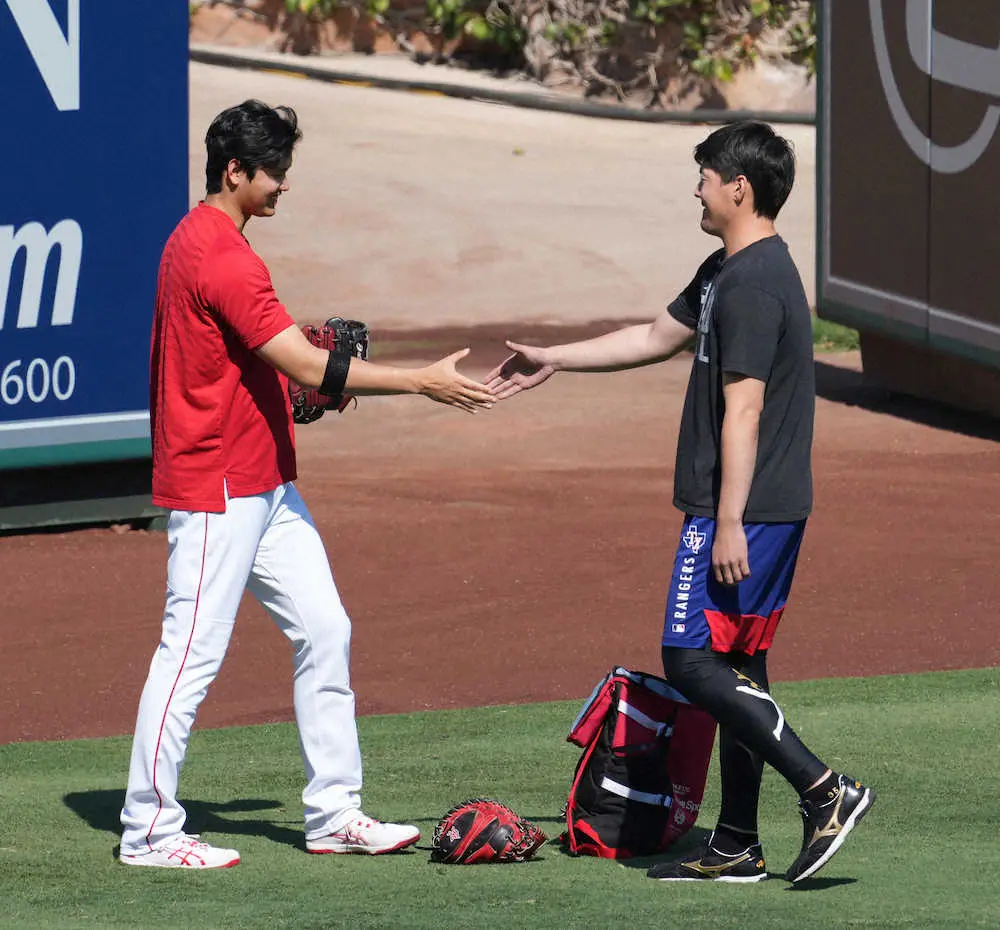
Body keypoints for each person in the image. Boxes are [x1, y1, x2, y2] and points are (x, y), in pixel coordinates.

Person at [487, 120, 875, 884]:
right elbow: (653, 336)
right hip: (761, 508)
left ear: (740, 187)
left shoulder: (758, 284)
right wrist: (554, 359)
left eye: (704, 174)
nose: (694, 186)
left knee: (691, 657)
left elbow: (746, 409)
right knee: (738, 666)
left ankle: (825, 789)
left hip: (744, 511)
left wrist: (726, 519)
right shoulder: (725, 270)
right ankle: (735, 841)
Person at [119, 100, 495, 869]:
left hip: (264, 482)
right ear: (235, 171)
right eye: (275, 171)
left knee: (325, 629)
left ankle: (333, 814)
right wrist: (421, 381)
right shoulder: (219, 254)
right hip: (218, 483)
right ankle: (147, 830)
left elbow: (260, 360)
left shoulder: (208, 241)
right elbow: (306, 365)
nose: (285, 184)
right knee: (188, 655)